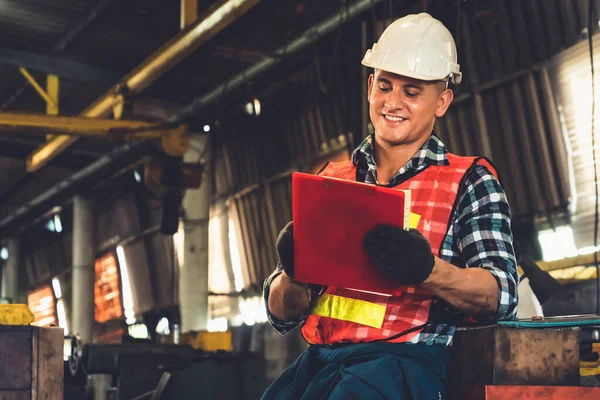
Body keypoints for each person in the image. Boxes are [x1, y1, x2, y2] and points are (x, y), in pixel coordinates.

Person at [262, 13, 518, 400]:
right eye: (385, 86)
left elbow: (502, 294)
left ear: (442, 101)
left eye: (412, 92)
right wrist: (294, 274)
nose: (392, 103)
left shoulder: (469, 180)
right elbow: (282, 314)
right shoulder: (332, 179)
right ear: (370, 87)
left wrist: (428, 271)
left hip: (406, 368)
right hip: (320, 366)